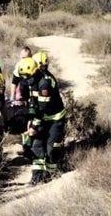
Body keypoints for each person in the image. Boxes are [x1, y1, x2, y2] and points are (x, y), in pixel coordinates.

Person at [16, 57, 66, 185]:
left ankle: (50, 176)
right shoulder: (29, 82)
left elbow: (42, 109)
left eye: (28, 75)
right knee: (36, 145)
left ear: (35, 72)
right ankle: (37, 177)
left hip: (54, 119)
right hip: (41, 118)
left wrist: (34, 126)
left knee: (51, 148)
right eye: (24, 76)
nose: (26, 78)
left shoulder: (45, 83)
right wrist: (30, 119)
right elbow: (32, 104)